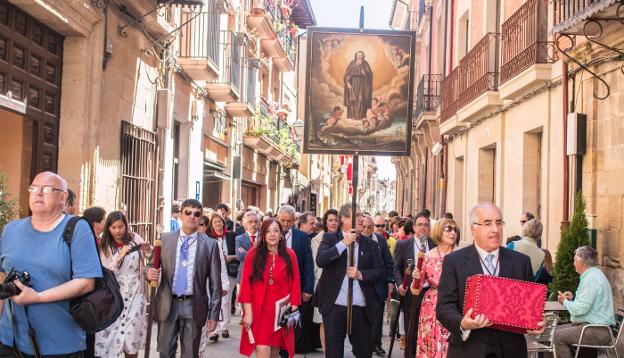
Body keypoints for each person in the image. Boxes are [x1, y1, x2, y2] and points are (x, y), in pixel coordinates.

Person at [0, 171, 102, 356]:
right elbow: (2, 276)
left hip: (61, 344)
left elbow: (86, 282)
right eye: (34, 188)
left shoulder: (77, 228)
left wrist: (37, 297)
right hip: (10, 342)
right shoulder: (10, 230)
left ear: (63, 197)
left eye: (46, 189)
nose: (38, 193)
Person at [436, 202, 544, 358]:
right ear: (474, 229)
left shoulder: (521, 262)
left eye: (499, 223)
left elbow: (529, 306)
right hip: (469, 349)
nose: (495, 229)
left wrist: (537, 322)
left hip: (511, 350)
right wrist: (462, 323)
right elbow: (444, 307)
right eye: (488, 223)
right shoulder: (454, 261)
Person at [146, 199, 222, 358]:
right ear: (180, 215)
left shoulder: (210, 245)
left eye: (197, 214)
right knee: (165, 352)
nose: (192, 216)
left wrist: (214, 315)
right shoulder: (164, 239)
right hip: (168, 303)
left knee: (190, 354)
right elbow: (150, 265)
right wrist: (148, 273)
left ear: (201, 218)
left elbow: (216, 283)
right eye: (188, 212)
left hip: (194, 305)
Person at [314, 203, 385, 358]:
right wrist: (343, 244)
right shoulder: (330, 238)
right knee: (333, 352)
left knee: (364, 351)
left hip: (360, 307)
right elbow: (321, 260)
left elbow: (380, 271)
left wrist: (361, 275)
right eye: (357, 215)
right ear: (345, 219)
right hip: (335, 306)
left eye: (362, 215)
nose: (362, 218)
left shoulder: (371, 244)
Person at [239, 218, 301, 358]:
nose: (272, 234)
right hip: (259, 310)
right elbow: (246, 286)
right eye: (268, 231)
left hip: (281, 311)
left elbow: (295, 283)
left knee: (274, 352)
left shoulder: (290, 254)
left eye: (276, 231)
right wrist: (247, 313)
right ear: (263, 235)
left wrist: (294, 311)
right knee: (262, 349)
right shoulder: (253, 255)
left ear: (281, 235)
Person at [95, 211, 150, 358]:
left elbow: (149, 260)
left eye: (121, 226)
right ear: (109, 228)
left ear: (126, 226)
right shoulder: (104, 244)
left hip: (135, 292)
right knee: (108, 334)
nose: (118, 230)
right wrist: (119, 257)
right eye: (113, 227)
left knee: (131, 333)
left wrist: (148, 250)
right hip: (113, 292)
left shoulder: (135, 239)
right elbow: (105, 270)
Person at [554, 246, 615, 358]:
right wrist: (572, 299)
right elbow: (588, 304)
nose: (573, 263)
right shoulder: (593, 275)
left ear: (580, 262)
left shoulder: (591, 279)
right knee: (553, 331)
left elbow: (581, 309)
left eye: (574, 260)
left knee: (555, 336)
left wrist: (565, 302)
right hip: (595, 327)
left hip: (597, 330)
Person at [412, 218, 458, 357]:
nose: (453, 233)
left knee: (449, 343)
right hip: (431, 307)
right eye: (448, 229)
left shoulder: (462, 255)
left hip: (455, 304)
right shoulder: (428, 256)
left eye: (455, 229)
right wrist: (416, 276)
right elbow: (417, 288)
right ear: (439, 231)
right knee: (431, 342)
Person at [393, 215, 436, 355]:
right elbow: (396, 268)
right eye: (419, 224)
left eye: (426, 224)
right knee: (411, 330)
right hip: (411, 293)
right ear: (414, 227)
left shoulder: (434, 244)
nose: (423, 227)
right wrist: (400, 284)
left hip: (429, 293)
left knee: (428, 330)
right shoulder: (403, 244)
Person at [277, 205, 315, 354]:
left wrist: (308, 288)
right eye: (283, 220)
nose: (285, 224)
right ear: (278, 218)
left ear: (294, 220)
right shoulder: (269, 234)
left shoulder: (302, 237)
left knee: (292, 321)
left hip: (295, 288)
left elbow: (308, 263)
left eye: (289, 221)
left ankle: (288, 350)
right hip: (275, 287)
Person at [362, 215, 394, 357]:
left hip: (378, 285)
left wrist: (390, 281)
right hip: (361, 285)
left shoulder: (380, 240)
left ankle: (376, 344)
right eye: (364, 227)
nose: (367, 230)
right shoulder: (356, 240)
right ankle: (363, 344)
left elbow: (388, 262)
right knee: (362, 317)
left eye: (370, 227)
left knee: (377, 317)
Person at [310, 209, 339, 351]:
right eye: (330, 220)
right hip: (323, 282)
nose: (333, 223)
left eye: (336, 220)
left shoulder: (343, 237)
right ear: (325, 222)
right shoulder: (317, 239)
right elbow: (317, 263)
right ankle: (327, 351)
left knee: (337, 320)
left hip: (341, 283)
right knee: (323, 319)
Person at [205, 213, 231, 343]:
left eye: (219, 221)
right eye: (214, 222)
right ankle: (213, 331)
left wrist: (224, 284)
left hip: (218, 278)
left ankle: (220, 328)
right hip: (203, 283)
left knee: (222, 303)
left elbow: (221, 266)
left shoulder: (214, 243)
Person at [343, 51, 373, 121]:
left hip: (363, 85)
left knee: (361, 100)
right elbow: (347, 74)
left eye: (361, 55)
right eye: (358, 55)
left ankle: (362, 116)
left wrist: (365, 73)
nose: (359, 57)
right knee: (352, 100)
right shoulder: (352, 63)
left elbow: (370, 75)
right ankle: (353, 117)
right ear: (355, 56)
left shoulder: (365, 63)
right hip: (353, 83)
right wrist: (347, 83)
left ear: (363, 56)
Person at [235, 211, 261, 284]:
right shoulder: (239, 239)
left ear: (259, 224)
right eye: (250, 222)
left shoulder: (264, 238)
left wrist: (246, 252)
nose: (253, 224)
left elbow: (265, 256)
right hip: (243, 277)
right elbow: (240, 257)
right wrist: (258, 254)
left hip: (261, 277)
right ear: (245, 225)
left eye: (255, 222)